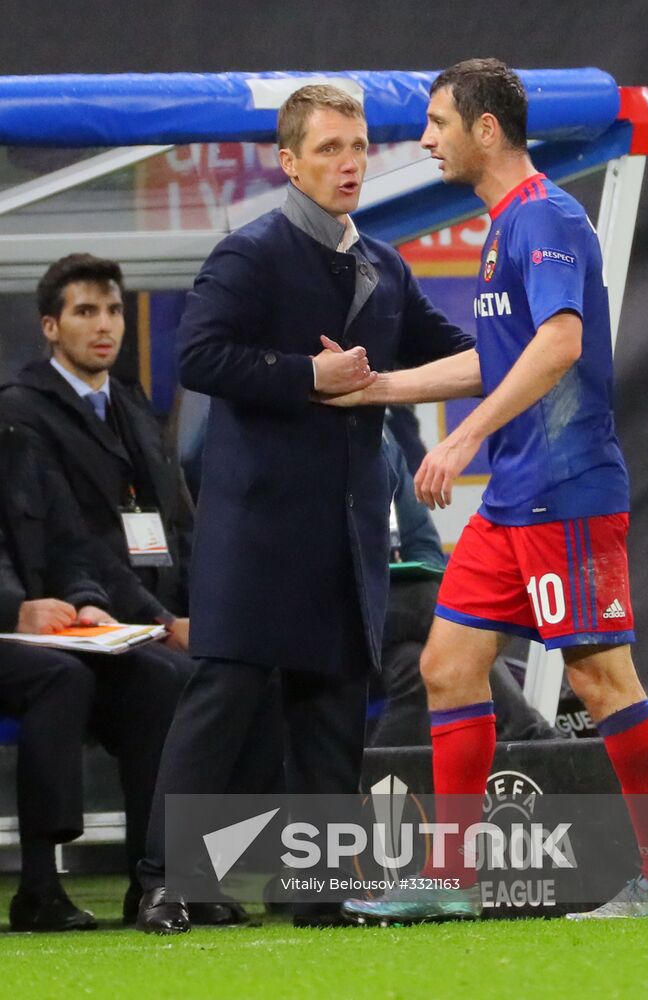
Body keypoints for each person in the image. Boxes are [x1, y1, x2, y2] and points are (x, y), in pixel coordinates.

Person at [329, 59, 648, 925]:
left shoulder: (547, 219)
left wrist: (461, 436)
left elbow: (561, 344)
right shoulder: (505, 225)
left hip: (566, 492)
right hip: (514, 499)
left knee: (601, 679)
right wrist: (381, 388)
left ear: (484, 129)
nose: (425, 140)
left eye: (437, 123)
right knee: (445, 666)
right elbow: (497, 357)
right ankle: (451, 879)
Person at [134, 83, 472, 933]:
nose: (348, 162)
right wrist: (304, 376)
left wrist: (540, 336)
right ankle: (162, 883)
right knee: (222, 702)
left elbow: (465, 352)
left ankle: (315, 889)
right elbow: (201, 357)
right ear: (288, 162)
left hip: (348, 533)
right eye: (328, 148)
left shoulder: (385, 266)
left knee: (329, 710)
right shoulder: (248, 254)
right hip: (255, 531)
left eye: (357, 146)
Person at [0, 422, 191, 930]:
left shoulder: (20, 441)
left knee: (158, 678)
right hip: (19, 641)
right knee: (60, 678)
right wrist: (12, 609)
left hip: (46, 637)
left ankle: (152, 879)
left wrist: (87, 600)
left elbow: (71, 545)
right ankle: (39, 886)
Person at [0, 255, 193, 647]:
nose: (104, 325)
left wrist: (205, 612)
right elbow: (70, 534)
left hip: (167, 609)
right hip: (99, 614)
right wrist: (164, 622)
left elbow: (180, 521)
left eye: (114, 310)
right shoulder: (22, 409)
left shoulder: (133, 405)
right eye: (86, 311)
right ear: (50, 327)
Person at [369, 426, 556, 747]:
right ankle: (531, 738)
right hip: (333, 607)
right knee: (433, 599)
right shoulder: (303, 441)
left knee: (416, 667)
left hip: (391, 619)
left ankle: (371, 788)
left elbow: (423, 544)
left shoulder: (380, 438)